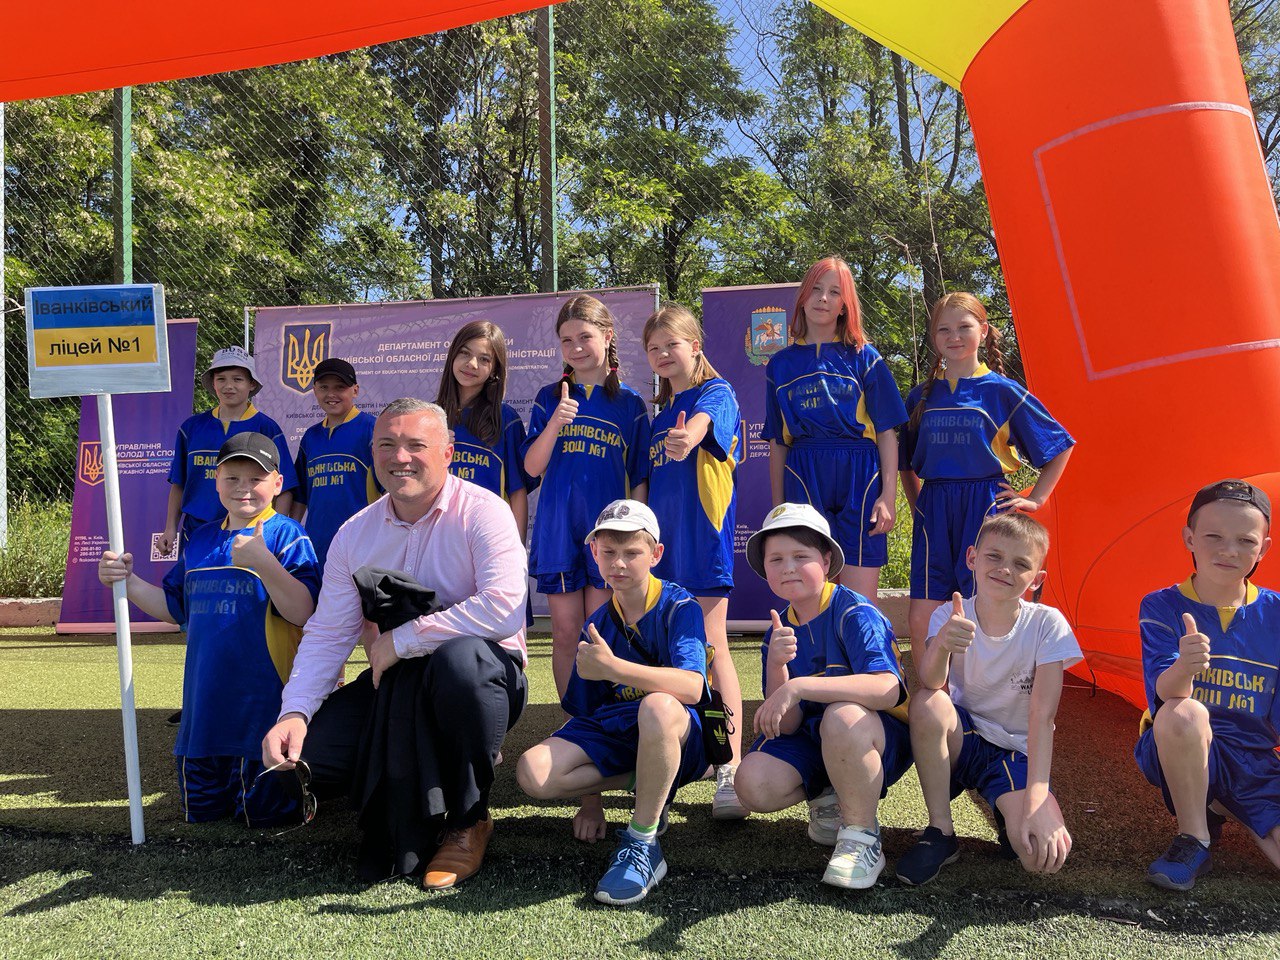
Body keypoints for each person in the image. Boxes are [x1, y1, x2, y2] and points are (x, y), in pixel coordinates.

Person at [261, 398, 528, 890]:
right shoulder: (354, 533)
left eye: (415, 445)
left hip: (482, 674)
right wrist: (294, 712)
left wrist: (402, 640)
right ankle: (411, 789)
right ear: (372, 452)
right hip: (398, 681)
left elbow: (503, 608)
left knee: (460, 664)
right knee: (308, 757)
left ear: (447, 453)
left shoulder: (485, 512)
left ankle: (470, 818)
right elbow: (328, 633)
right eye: (387, 444)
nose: (400, 457)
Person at [99, 432, 320, 825]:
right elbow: (174, 608)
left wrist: (263, 562)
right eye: (232, 477)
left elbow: (303, 612)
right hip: (204, 714)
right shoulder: (200, 539)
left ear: (277, 483)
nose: (243, 488)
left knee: (261, 820)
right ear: (216, 481)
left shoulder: (287, 535)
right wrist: (127, 581)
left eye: (256, 478)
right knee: (201, 816)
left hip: (261, 711)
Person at [516, 500, 710, 906]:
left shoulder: (680, 607)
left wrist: (615, 668)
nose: (619, 563)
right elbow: (584, 712)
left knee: (658, 706)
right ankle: (652, 781)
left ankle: (643, 842)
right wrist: (591, 806)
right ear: (594, 553)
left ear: (656, 554)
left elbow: (693, 687)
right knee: (533, 773)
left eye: (631, 552)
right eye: (608, 552)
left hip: (680, 734)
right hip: (622, 732)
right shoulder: (598, 623)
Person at [732, 503, 912, 889]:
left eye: (801, 556)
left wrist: (800, 686)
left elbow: (887, 688)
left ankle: (862, 835)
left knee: (842, 715)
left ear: (826, 561)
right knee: (752, 784)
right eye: (776, 559)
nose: (788, 568)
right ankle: (829, 796)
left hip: (876, 737)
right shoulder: (777, 631)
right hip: (816, 737)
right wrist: (778, 667)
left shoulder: (854, 611)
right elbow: (787, 724)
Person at [896, 512, 1080, 885]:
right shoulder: (949, 613)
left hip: (1013, 751)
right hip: (963, 739)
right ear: (972, 558)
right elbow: (931, 681)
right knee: (928, 703)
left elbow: (1042, 716)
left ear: (1037, 579)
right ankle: (940, 831)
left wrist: (1037, 796)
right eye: (994, 556)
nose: (1005, 569)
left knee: (1036, 855)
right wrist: (943, 643)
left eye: (1021, 564)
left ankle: (1006, 806)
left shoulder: (1047, 624)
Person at [899, 292, 1074, 658]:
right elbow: (905, 463)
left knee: (985, 609)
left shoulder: (1002, 391)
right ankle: (931, 689)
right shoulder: (921, 397)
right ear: (934, 337)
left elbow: (1060, 446)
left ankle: (982, 688)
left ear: (983, 331)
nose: (954, 336)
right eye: (944, 329)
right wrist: (920, 508)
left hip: (985, 508)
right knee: (922, 616)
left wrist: (1036, 498)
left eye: (964, 327)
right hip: (935, 507)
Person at [1135, 479, 1280, 891]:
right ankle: (1194, 838)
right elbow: (1166, 693)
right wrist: (1185, 666)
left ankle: (1220, 801)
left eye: (1245, 540)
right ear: (1189, 538)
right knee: (1185, 711)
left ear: (1263, 548)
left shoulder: (1276, 612)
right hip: (1182, 743)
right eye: (1214, 536)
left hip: (1253, 758)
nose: (1228, 550)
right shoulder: (1161, 604)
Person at [643, 302, 748, 821]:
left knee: (710, 645)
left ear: (695, 347)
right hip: (661, 551)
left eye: (672, 344)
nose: (664, 354)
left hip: (703, 541)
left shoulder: (716, 392)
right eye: (654, 348)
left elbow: (706, 422)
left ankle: (730, 765)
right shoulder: (657, 416)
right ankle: (680, 761)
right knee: (670, 654)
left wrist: (691, 435)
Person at [522, 294, 651, 699]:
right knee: (565, 633)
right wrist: (556, 423)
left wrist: (636, 534)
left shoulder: (629, 403)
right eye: (567, 340)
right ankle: (573, 719)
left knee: (600, 632)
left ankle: (605, 717)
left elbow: (640, 477)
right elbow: (531, 467)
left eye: (585, 337)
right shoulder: (549, 397)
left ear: (607, 336)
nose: (576, 347)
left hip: (608, 534)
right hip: (559, 529)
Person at [762, 256, 907, 601]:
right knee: (811, 591)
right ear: (802, 297)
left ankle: (863, 638)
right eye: (815, 289)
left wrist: (888, 496)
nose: (823, 298)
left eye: (834, 292)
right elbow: (778, 442)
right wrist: (779, 506)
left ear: (845, 305)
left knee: (859, 598)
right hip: (805, 469)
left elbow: (887, 432)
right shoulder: (780, 365)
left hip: (861, 472)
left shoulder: (865, 357)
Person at [161, 346, 298, 557]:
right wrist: (170, 527)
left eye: (237, 379)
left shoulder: (267, 428)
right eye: (221, 379)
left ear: (252, 384)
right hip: (196, 532)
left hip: (249, 534)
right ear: (213, 383)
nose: (229, 386)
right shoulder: (191, 428)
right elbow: (179, 483)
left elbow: (285, 488)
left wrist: (271, 532)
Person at [435, 320, 537, 542]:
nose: (472, 364)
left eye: (484, 359)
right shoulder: (430, 417)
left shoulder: (505, 418)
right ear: (452, 356)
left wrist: (517, 550)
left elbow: (517, 492)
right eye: (465, 353)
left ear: (494, 370)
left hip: (487, 538)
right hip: (436, 537)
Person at [290, 357, 380, 571]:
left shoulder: (372, 429)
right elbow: (300, 495)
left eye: (340, 387)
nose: (331, 394)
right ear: (314, 390)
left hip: (362, 541)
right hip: (317, 542)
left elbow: (388, 491)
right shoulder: (311, 436)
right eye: (324, 387)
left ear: (355, 390)